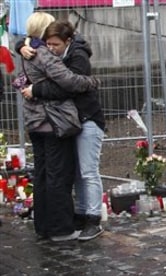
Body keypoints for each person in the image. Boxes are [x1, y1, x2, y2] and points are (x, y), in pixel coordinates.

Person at [20, 20, 105, 241]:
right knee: (68, 173)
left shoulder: (75, 55)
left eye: (55, 43)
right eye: (47, 42)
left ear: (66, 41)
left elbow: (67, 84)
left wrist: (36, 89)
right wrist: (20, 44)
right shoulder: (40, 52)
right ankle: (72, 218)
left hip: (83, 118)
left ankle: (92, 218)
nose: (51, 47)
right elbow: (66, 83)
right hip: (61, 121)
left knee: (86, 171)